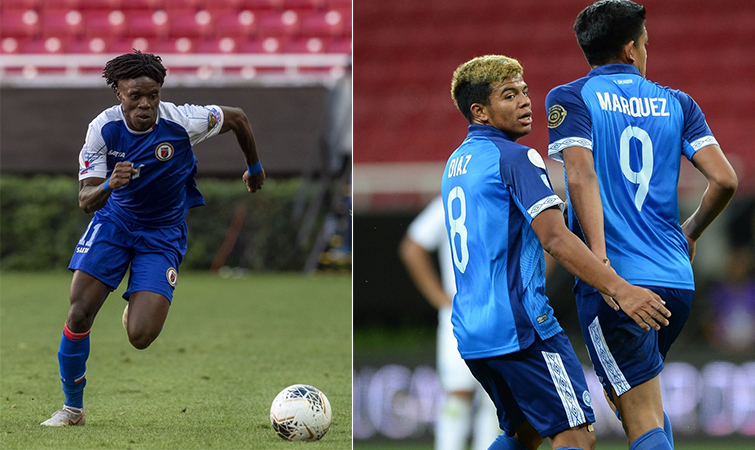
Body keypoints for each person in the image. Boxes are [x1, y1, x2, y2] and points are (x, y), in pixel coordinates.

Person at [441, 54, 670, 450]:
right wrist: (620, 288)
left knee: (524, 433)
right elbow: (555, 239)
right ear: (479, 111)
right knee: (576, 438)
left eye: (525, 92)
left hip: (472, 330)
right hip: (522, 327)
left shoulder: (456, 163)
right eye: (509, 95)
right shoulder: (517, 157)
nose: (526, 102)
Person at [545, 1, 738, 449]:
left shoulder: (570, 97)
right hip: (675, 280)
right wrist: (688, 233)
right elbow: (725, 180)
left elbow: (579, 173)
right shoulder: (679, 103)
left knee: (640, 417)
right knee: (644, 406)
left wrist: (600, 264)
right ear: (631, 49)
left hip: (619, 285)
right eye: (646, 43)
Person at [41, 50, 266, 426]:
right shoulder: (103, 129)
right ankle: (72, 409)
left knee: (141, 336)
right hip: (115, 223)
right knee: (79, 311)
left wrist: (254, 167)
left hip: (162, 234)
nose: (145, 104)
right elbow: (85, 200)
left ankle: (137, 305)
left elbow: (238, 118)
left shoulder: (183, 121)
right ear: (118, 93)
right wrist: (110, 184)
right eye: (135, 96)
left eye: (153, 95)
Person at [399, 196, 500, 450]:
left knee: (479, 399)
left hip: (468, 316)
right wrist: (439, 297)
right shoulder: (504, 196)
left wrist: (442, 300)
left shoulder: (451, 199)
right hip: (486, 314)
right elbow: (412, 248)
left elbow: (411, 247)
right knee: (489, 399)